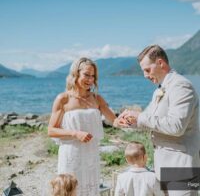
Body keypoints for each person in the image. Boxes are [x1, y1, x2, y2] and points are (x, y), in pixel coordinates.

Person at [118, 45, 200, 196]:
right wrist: (130, 122)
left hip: (181, 165)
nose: (145, 75)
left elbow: (176, 126)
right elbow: (149, 119)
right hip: (163, 164)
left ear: (161, 63)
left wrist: (139, 116)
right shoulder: (160, 89)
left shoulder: (181, 86)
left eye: (147, 70)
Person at [48, 57, 117, 196]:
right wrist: (75, 133)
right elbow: (51, 130)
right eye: (86, 74)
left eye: (93, 76)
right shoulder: (63, 99)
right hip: (71, 154)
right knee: (68, 190)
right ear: (76, 73)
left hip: (91, 154)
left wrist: (133, 118)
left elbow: (115, 121)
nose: (90, 79)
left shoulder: (97, 99)